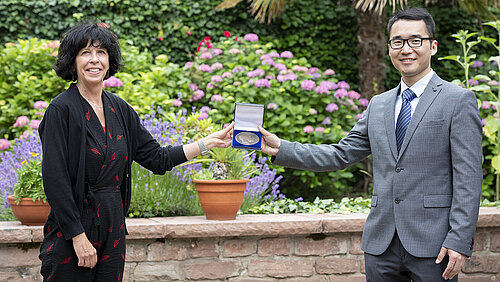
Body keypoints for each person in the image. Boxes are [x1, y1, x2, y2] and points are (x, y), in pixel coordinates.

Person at [259, 7, 482, 282]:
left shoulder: (458, 100)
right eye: (397, 42)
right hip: (381, 245)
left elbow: (468, 178)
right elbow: (341, 154)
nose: (406, 49)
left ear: (432, 46)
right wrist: (281, 147)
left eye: (416, 40)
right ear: (389, 48)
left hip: (434, 245)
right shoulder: (379, 104)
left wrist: (459, 239)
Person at [38, 22, 233, 281]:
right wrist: (78, 236)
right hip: (73, 229)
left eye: (101, 52)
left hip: (113, 226)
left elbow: (158, 159)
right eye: (85, 52)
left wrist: (207, 142)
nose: (94, 60)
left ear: (110, 60)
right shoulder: (60, 110)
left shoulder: (120, 110)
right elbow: (55, 180)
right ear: (73, 61)